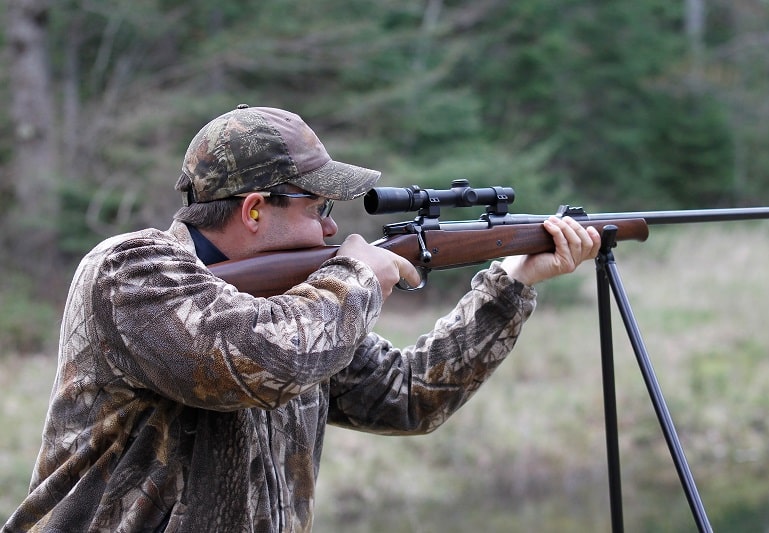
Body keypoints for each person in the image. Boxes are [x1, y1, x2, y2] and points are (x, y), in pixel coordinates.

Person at [3, 104, 600, 532]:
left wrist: (512, 282)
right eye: (319, 207)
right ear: (256, 210)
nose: (333, 229)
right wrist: (359, 276)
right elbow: (260, 362)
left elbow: (408, 396)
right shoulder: (131, 271)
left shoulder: (304, 303)